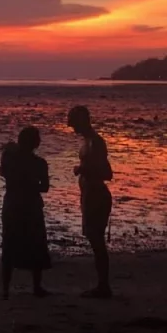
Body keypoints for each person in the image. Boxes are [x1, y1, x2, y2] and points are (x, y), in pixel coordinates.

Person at [0, 127, 51, 299]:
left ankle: (6, 288)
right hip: (31, 205)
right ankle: (36, 287)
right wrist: (30, 184)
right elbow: (45, 187)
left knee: (10, 243)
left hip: (13, 204)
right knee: (36, 243)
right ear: (35, 143)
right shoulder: (40, 163)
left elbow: (2, 171)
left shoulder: (10, 158)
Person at [68, 105, 114, 298]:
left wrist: (82, 170)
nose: (73, 128)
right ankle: (102, 284)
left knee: (97, 241)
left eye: (74, 123)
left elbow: (107, 173)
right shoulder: (88, 141)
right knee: (94, 239)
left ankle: (103, 286)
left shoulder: (96, 142)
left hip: (97, 196)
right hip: (89, 195)